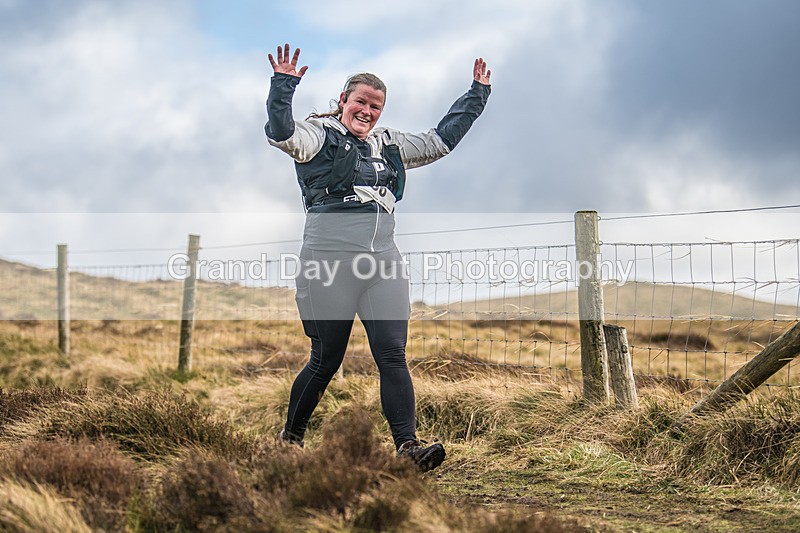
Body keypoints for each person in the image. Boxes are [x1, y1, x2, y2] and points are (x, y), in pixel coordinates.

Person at [265, 43, 491, 472]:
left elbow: (440, 141)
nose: (367, 111)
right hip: (328, 266)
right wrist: (283, 87)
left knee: (392, 354)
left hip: (382, 264)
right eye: (361, 102)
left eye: (375, 106)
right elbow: (281, 133)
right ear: (343, 101)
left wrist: (476, 95)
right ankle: (290, 440)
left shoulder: (388, 143)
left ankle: (407, 447)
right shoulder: (318, 136)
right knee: (325, 360)